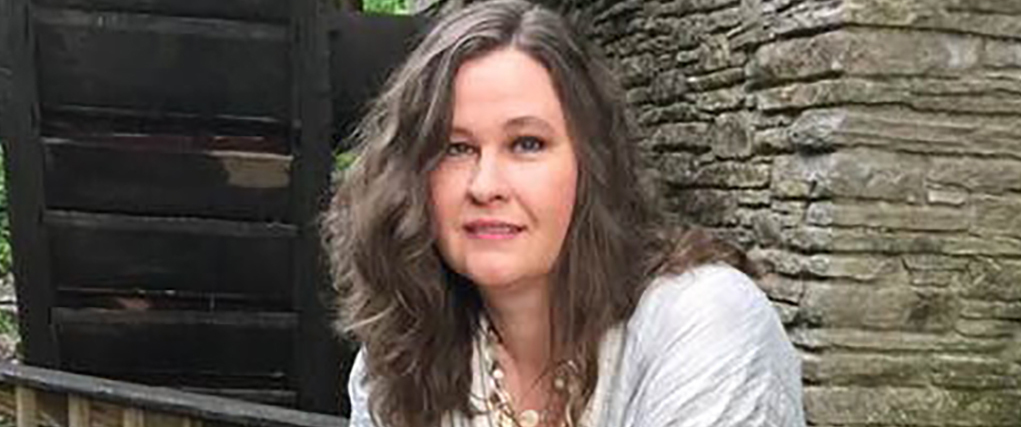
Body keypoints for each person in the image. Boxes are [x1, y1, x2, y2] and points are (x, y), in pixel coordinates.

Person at [322, 1, 805, 426]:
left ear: (590, 164)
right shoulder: (401, 356)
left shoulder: (704, 321)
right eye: (455, 148)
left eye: (526, 144)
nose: (485, 185)